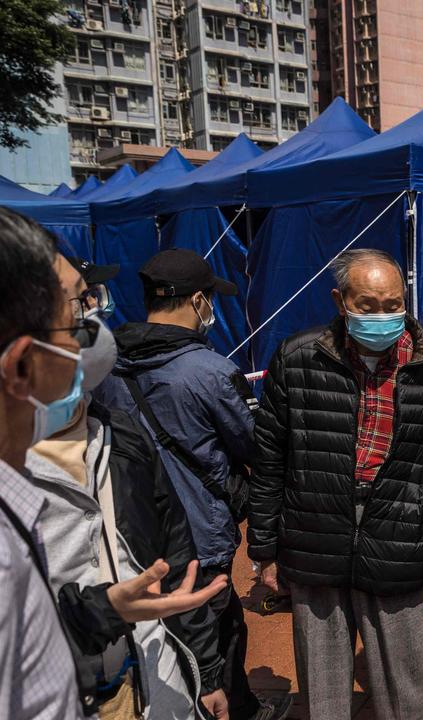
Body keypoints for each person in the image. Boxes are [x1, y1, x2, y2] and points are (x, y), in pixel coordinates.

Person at [0, 208, 223, 720]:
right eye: (78, 309)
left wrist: (105, 613)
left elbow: (172, 545)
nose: (95, 329)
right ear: (20, 364)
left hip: (149, 679)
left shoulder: (116, 433)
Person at [250, 249, 423, 720]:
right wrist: (264, 550)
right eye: (367, 305)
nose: (383, 316)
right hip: (314, 536)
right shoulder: (297, 359)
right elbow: (269, 461)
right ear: (340, 300)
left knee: (407, 686)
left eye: (393, 304)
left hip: (401, 538)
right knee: (324, 689)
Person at [94, 248, 281, 720]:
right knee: (217, 633)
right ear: (198, 301)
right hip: (201, 535)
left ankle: (233, 703)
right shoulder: (211, 372)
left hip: (130, 535)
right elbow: (253, 445)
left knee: (158, 640)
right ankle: (230, 707)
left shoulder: (107, 366)